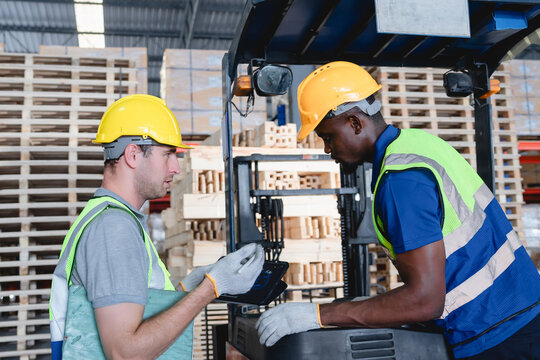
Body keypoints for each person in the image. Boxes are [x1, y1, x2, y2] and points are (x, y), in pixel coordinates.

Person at [256, 61, 540, 359]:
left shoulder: (399, 180)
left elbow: (425, 300)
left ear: (355, 122)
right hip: (520, 313)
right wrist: (367, 307)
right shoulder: (420, 144)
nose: (328, 149)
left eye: (328, 137)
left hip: (497, 335)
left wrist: (318, 314)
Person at [49, 94, 264, 359]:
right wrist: (210, 288)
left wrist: (188, 290)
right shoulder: (113, 227)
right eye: (168, 154)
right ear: (132, 154)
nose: (175, 167)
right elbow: (124, 352)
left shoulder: (114, 219)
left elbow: (136, 308)